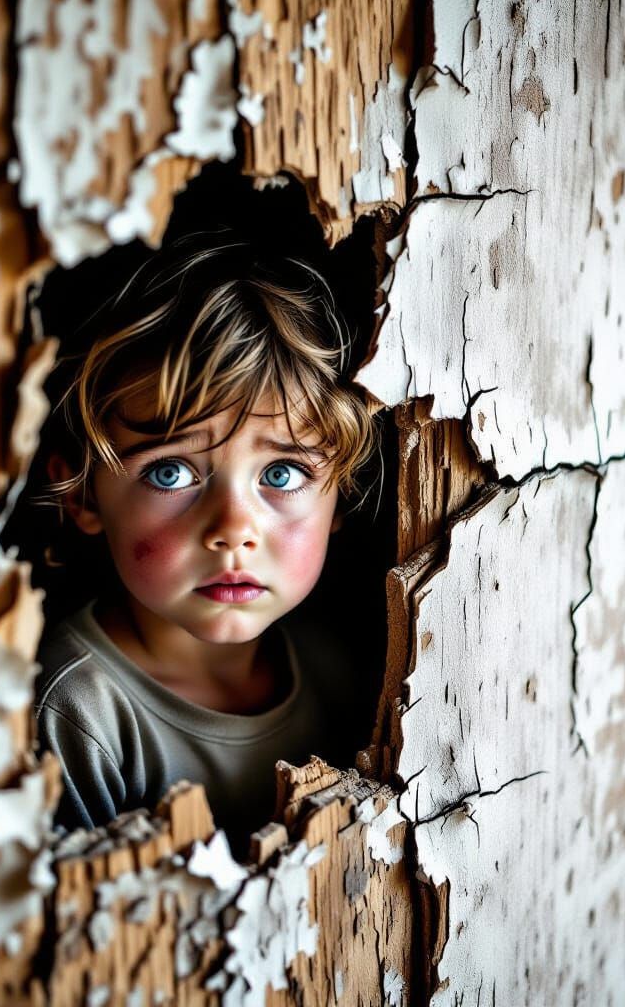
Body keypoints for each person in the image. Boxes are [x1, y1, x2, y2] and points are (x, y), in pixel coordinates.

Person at [33, 229, 380, 853]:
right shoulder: (78, 717)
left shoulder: (341, 676)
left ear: (341, 497)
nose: (233, 530)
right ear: (84, 496)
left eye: (282, 474)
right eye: (170, 473)